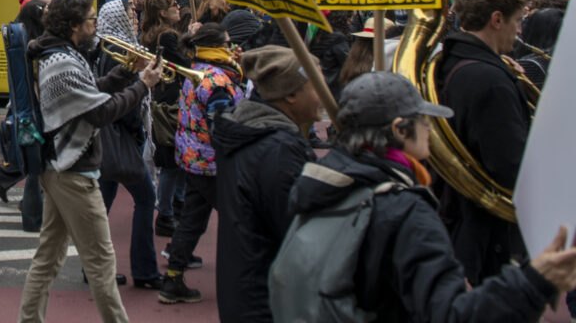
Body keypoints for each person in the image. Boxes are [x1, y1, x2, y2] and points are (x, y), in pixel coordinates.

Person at [275, 71, 576, 322]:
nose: (430, 127)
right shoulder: (403, 209)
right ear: (399, 129)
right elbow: (449, 315)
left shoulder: (325, 183)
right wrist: (533, 282)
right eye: (421, 119)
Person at [17, 0, 161, 323]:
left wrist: (125, 72)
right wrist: (143, 84)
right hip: (73, 169)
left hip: (61, 166)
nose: (95, 25)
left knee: (49, 257)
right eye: (91, 20)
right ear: (73, 24)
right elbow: (101, 112)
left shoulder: (61, 53)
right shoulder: (62, 60)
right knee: (101, 261)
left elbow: (90, 91)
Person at [436, 0, 535, 284]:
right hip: (488, 239)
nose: (519, 32)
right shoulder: (489, 80)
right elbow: (511, 167)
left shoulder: (449, 61)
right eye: (517, 21)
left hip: (460, 225)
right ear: (496, 19)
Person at [212, 46, 321, 323]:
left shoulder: (250, 133)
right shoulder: (278, 151)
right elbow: (300, 235)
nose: (324, 93)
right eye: (315, 85)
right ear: (291, 94)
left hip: (246, 293)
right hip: (267, 301)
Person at [159, 22, 244, 305]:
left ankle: (173, 278)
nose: (233, 47)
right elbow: (224, 131)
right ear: (217, 47)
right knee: (241, 219)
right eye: (228, 42)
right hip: (212, 164)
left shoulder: (198, 73)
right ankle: (243, 278)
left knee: (193, 221)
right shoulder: (217, 82)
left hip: (193, 159)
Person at [93, 0, 162, 289]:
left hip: (111, 138)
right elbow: (122, 99)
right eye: (130, 11)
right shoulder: (119, 50)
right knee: (146, 199)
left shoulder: (113, 46)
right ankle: (145, 270)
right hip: (120, 136)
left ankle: (93, 268)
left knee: (101, 206)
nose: (135, 15)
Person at [0, 0, 47, 231]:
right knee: (37, 165)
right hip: (35, 110)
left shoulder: (25, 40)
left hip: (28, 108)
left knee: (36, 163)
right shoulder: (33, 44)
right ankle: (32, 214)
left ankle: (7, 180)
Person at [139, 0, 184, 238]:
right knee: (172, 162)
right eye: (173, 5)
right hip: (172, 101)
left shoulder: (150, 35)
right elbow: (186, 62)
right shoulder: (167, 36)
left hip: (160, 100)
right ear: (163, 13)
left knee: (169, 159)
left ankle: (173, 206)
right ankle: (168, 210)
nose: (178, 7)